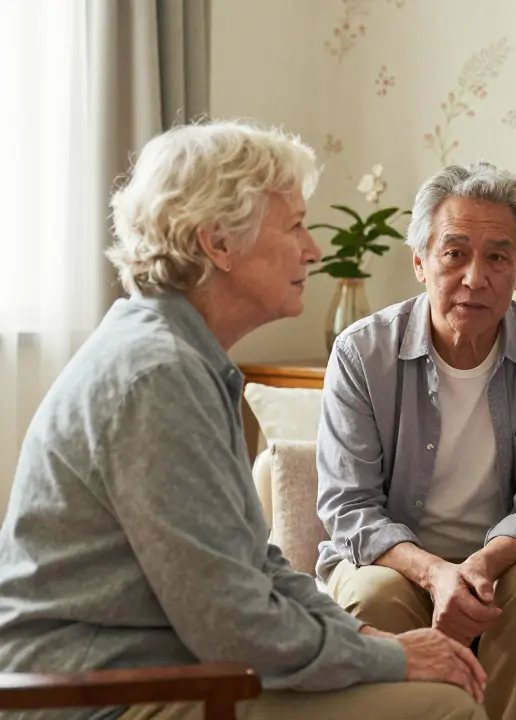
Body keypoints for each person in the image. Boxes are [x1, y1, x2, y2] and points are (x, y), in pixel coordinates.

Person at [0, 120, 487, 720]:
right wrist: (393, 659)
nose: (313, 248)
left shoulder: (180, 359)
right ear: (218, 243)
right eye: (295, 226)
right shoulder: (158, 377)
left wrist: (366, 641)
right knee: (442, 706)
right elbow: (231, 625)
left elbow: (255, 562)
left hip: (167, 670)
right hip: (99, 696)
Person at [315, 160, 516, 720]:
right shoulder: (361, 353)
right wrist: (436, 573)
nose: (474, 277)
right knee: (372, 595)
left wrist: (478, 569)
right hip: (396, 562)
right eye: (454, 252)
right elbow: (349, 506)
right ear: (420, 261)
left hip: (507, 563)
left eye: (497, 257)